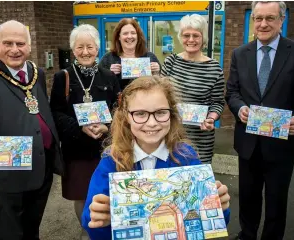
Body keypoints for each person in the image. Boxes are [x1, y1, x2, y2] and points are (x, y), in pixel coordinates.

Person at [81, 76, 231, 239]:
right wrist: (100, 219)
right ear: (126, 117)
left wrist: (220, 208)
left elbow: (207, 223)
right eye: (140, 113)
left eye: (160, 112)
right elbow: (91, 225)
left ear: (172, 114)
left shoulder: (186, 157)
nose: (151, 123)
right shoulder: (112, 161)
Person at [0, 20, 63, 239]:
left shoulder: (37, 73)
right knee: (12, 232)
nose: (15, 49)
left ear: (29, 46)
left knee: (33, 228)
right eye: (8, 43)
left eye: (20, 43)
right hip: (9, 171)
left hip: (41, 166)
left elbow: (36, 109)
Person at [225, 2, 294, 240]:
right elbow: (232, 92)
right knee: (247, 197)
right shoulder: (239, 53)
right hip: (248, 144)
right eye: (258, 18)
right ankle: (247, 234)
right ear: (253, 20)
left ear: (281, 19)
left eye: (270, 18)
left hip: (281, 145)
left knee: (277, 201)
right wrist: (240, 108)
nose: (263, 24)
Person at [50, 24, 120, 238]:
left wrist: (107, 127)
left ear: (97, 49)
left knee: (108, 192)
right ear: (73, 50)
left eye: (90, 46)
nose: (85, 52)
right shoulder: (63, 77)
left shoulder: (108, 76)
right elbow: (56, 112)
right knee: (82, 195)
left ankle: (108, 229)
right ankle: (87, 230)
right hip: (76, 149)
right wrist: (80, 128)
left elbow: (119, 108)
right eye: (80, 47)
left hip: (105, 148)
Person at [161, 14, 225, 163]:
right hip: (171, 134)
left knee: (197, 179)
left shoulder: (214, 68)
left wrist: (211, 118)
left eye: (196, 35)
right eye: (186, 35)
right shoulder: (171, 62)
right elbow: (160, 95)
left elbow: (218, 102)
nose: (191, 40)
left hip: (200, 139)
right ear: (180, 37)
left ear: (203, 38)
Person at [99, 18, 161, 91]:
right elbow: (98, 86)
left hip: (145, 101)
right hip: (117, 101)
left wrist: (157, 72)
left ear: (138, 36)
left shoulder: (150, 57)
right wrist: (108, 74)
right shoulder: (108, 59)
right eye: (125, 33)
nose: (129, 36)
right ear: (119, 37)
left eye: (133, 33)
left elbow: (160, 85)